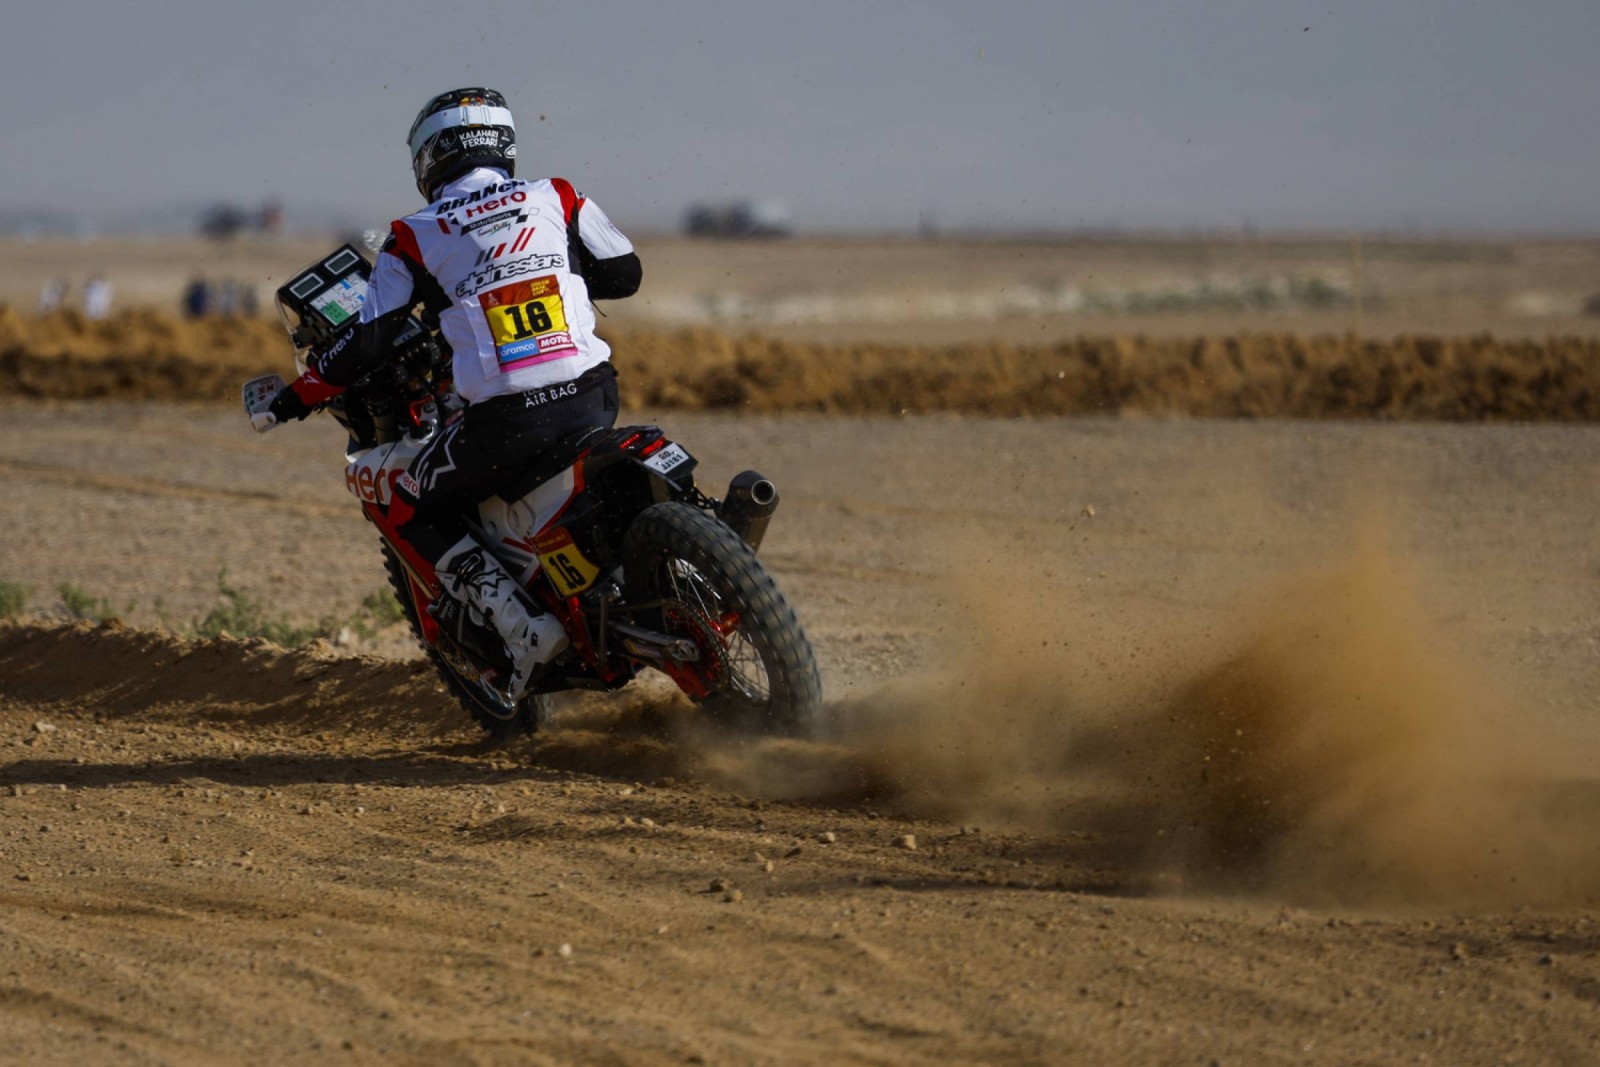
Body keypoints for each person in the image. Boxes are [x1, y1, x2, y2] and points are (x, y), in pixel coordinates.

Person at [256, 88, 642, 700]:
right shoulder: (557, 195)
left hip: (507, 421)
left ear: (429, 157)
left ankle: (526, 630)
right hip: (596, 395)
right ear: (503, 142)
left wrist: (295, 397)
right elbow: (624, 275)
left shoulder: (412, 236)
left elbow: (368, 341)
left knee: (408, 506)